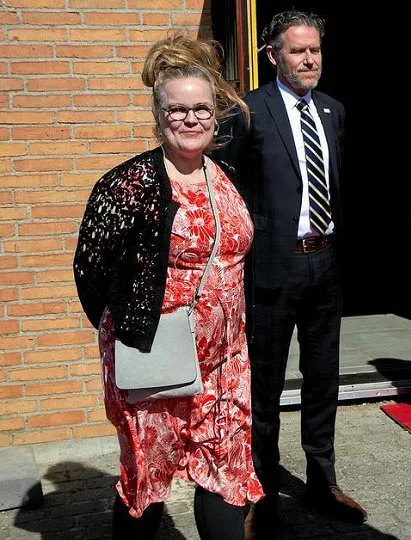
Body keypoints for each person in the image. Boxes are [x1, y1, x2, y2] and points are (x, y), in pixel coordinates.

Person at [73, 35, 263, 540]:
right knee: (148, 480)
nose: (191, 120)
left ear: (216, 113)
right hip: (153, 358)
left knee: (225, 475)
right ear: (159, 115)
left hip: (226, 363)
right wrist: (133, 332)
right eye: (177, 110)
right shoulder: (127, 184)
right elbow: (91, 274)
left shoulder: (228, 176)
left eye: (201, 108)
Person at [215, 9, 367, 531]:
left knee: (324, 380)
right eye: (298, 50)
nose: (309, 59)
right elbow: (231, 196)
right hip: (271, 272)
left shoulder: (333, 111)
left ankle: (322, 482)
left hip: (325, 264)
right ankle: (264, 494)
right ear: (272, 55)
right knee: (266, 389)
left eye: (315, 50)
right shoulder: (248, 112)